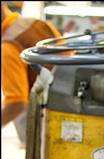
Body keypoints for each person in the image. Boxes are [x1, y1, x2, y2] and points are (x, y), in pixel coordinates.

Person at [1, 1, 60, 143]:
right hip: (69, 111)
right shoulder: (37, 24)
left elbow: (16, 103)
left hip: (45, 125)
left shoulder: (7, 46)